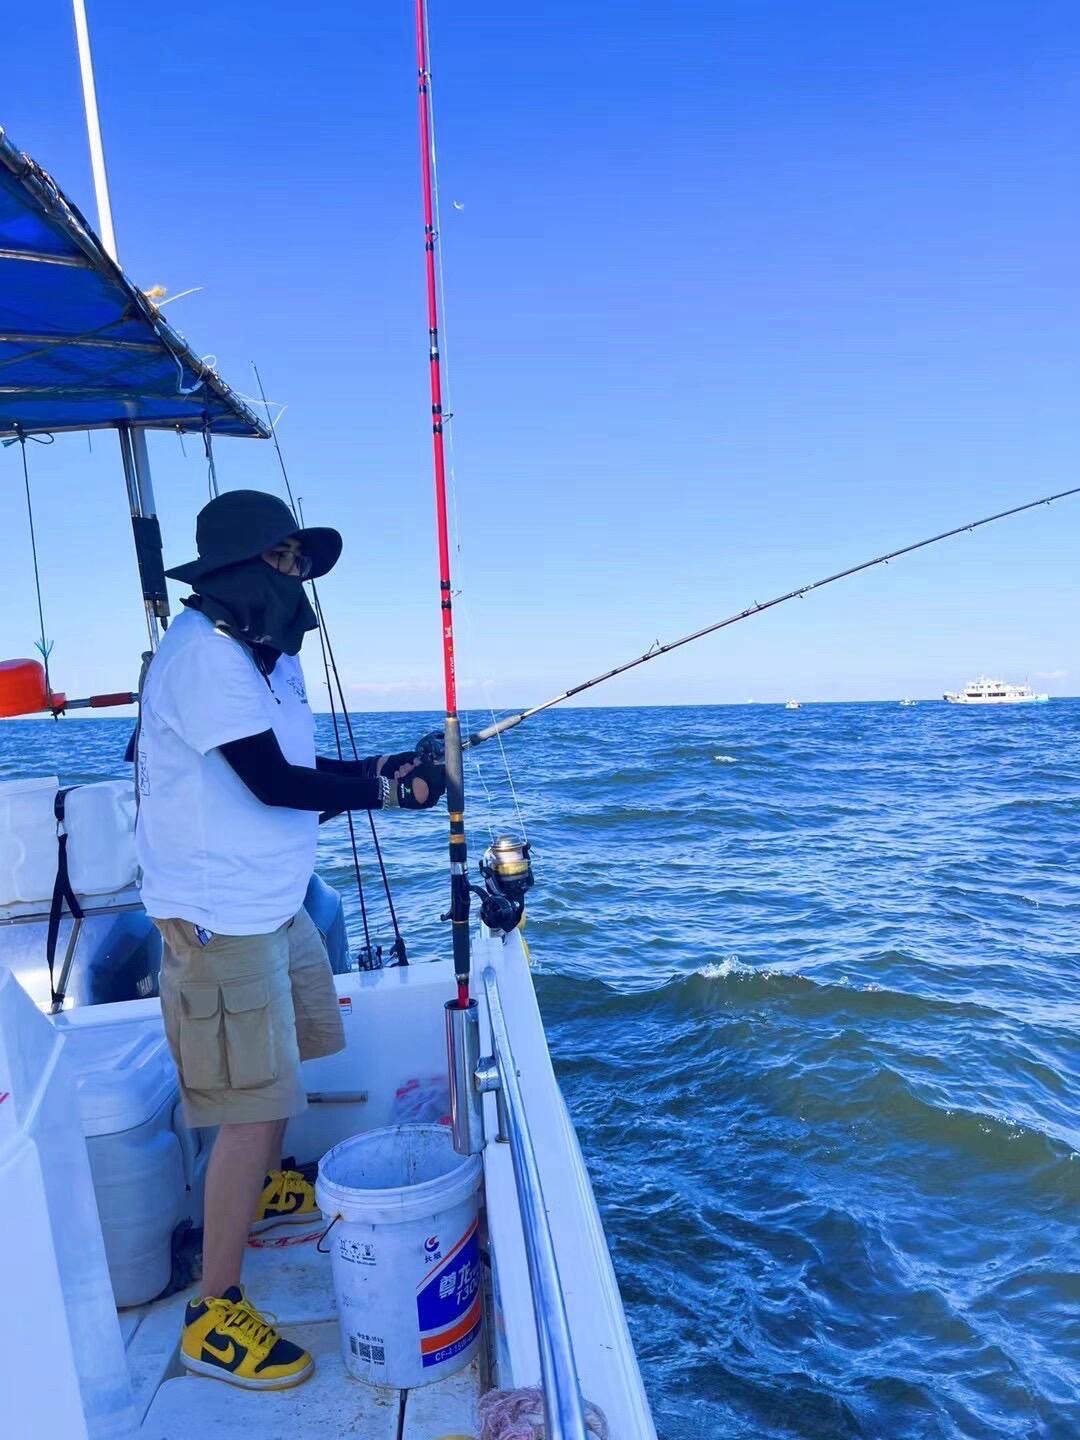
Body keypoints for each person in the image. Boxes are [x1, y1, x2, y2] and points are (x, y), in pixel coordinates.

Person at [135, 489, 444, 1391]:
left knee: (282, 1072)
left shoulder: (264, 657)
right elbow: (270, 782)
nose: (297, 576)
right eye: (284, 558)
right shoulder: (203, 656)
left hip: (275, 904)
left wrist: (379, 769)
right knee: (250, 1104)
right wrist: (387, 795)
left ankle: (265, 1191)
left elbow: (302, 771)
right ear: (237, 567)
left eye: (300, 562)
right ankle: (213, 1312)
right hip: (220, 918)